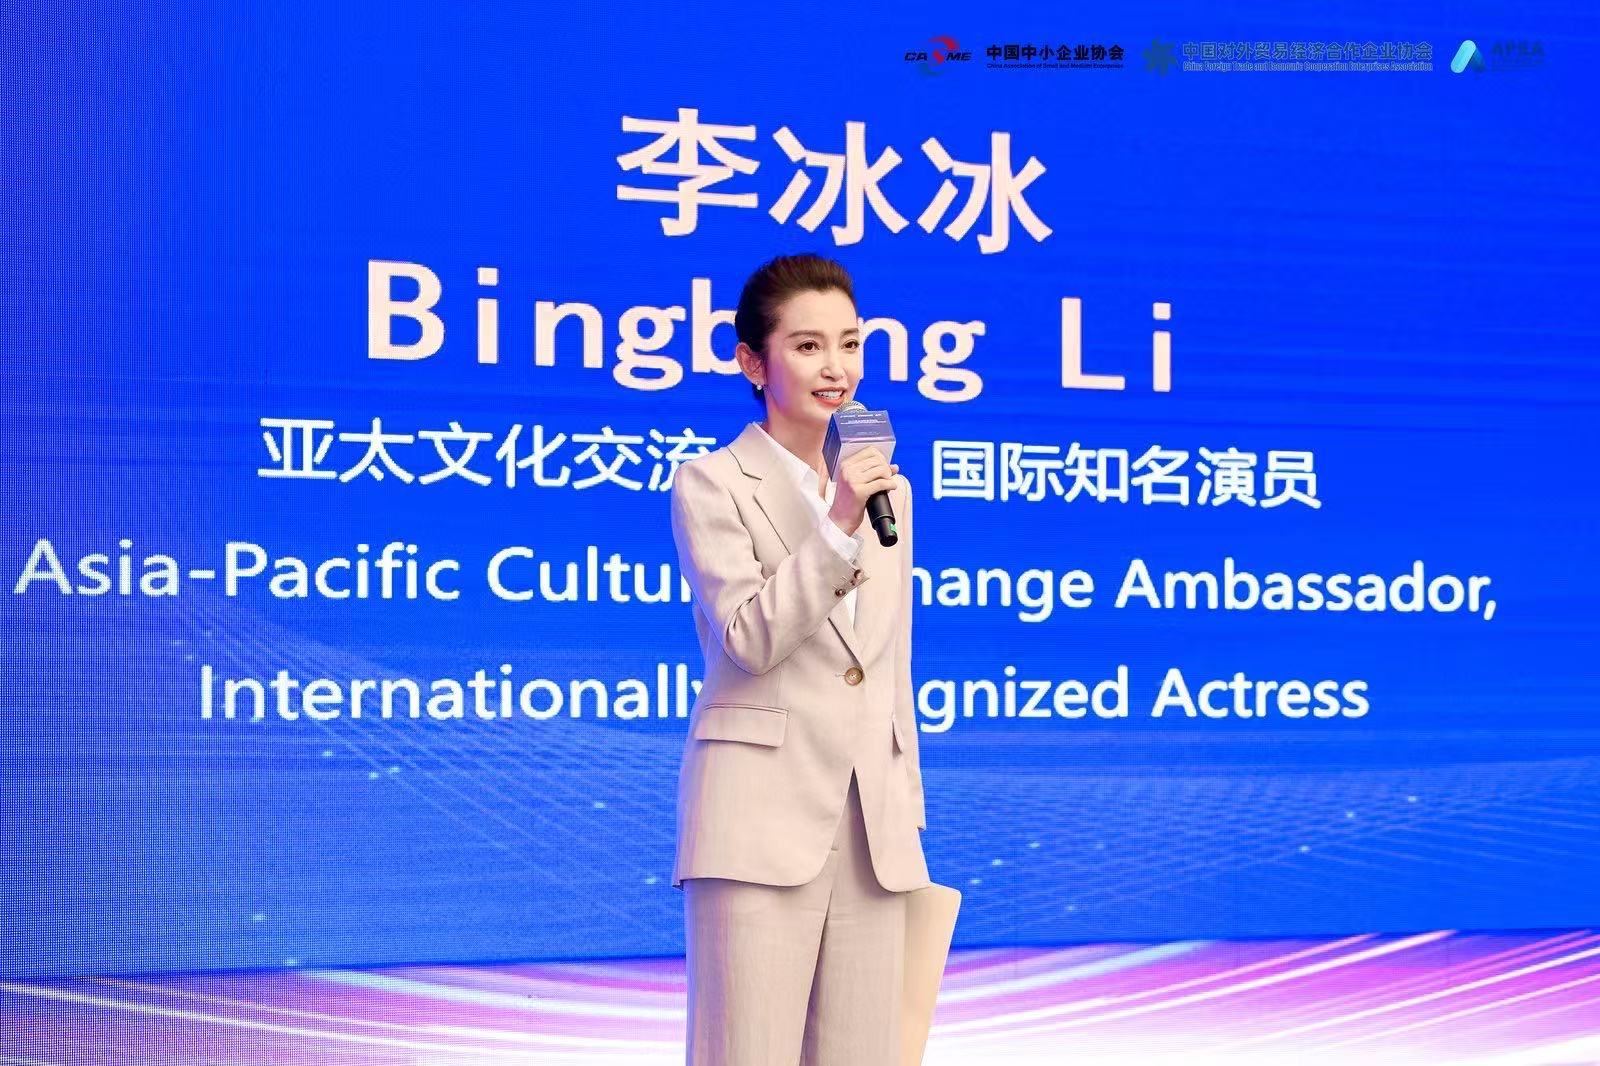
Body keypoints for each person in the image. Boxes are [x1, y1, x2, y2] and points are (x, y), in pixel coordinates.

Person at [669, 253, 931, 1065]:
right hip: (758, 820)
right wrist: (838, 524)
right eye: (808, 346)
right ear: (754, 362)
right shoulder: (712, 483)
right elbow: (750, 637)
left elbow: (888, 667)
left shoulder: (889, 491)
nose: (836, 368)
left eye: (850, 344)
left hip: (871, 828)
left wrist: (905, 811)